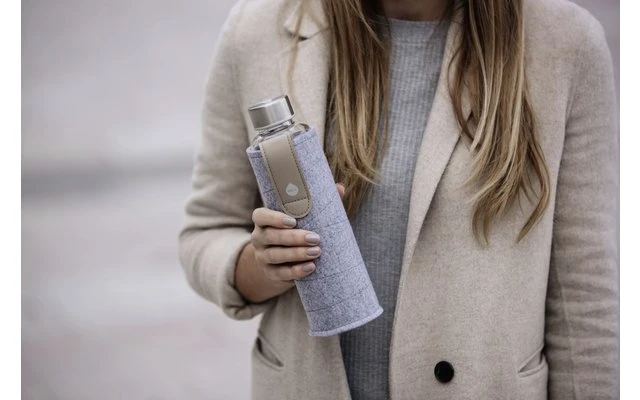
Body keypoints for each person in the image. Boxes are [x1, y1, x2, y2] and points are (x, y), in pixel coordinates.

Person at [178, 0, 619, 398]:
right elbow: (206, 231)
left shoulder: (566, 43)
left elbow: (584, 296)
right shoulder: (256, 30)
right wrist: (263, 266)